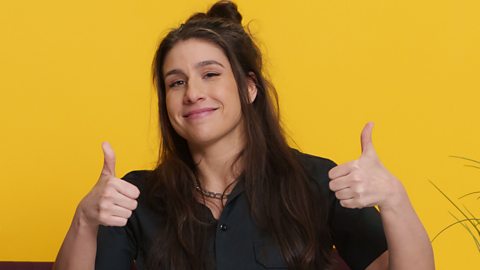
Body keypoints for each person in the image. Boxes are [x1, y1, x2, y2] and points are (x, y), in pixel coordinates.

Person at [53, 1, 435, 269]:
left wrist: (394, 198)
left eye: (211, 74)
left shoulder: (316, 182)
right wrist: (85, 219)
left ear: (249, 88)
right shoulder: (135, 197)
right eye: (176, 82)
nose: (193, 93)